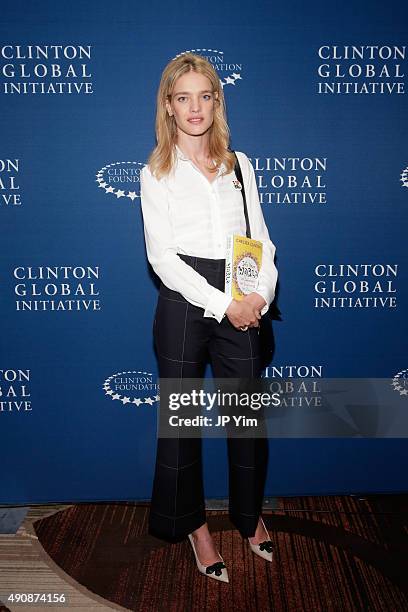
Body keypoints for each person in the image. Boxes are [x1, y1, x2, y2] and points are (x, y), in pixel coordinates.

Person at [140, 52, 278, 583]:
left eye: (204, 96)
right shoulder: (156, 172)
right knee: (180, 426)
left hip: (242, 289)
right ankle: (194, 527)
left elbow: (261, 239)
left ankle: (248, 516)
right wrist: (224, 304)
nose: (194, 107)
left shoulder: (241, 164)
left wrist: (258, 296)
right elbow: (162, 258)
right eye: (183, 98)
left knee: (246, 419)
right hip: (183, 301)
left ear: (216, 102)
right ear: (169, 108)